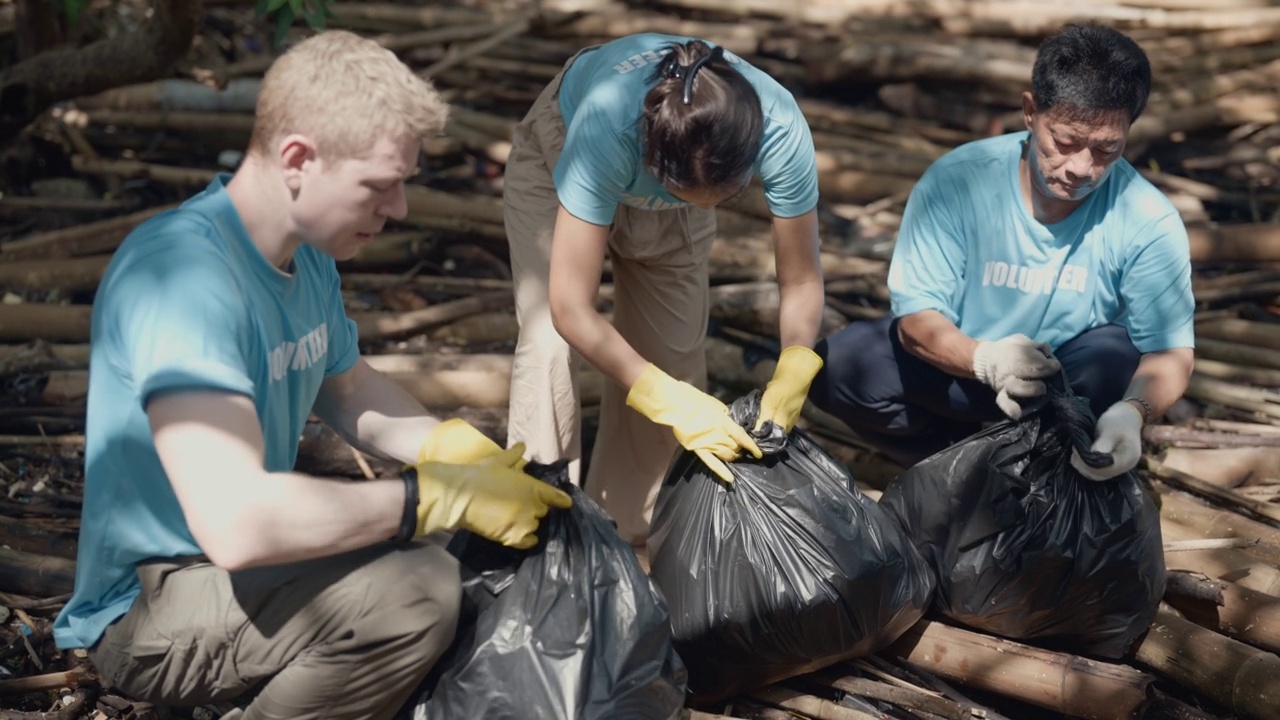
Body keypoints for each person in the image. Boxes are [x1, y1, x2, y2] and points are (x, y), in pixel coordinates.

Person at [52, 30, 571, 720]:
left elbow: (349, 388)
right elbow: (237, 524)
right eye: (379, 187)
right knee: (417, 592)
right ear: (298, 159)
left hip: (244, 576)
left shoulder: (308, 255)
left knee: (475, 556)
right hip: (154, 601)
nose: (399, 211)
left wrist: (454, 453)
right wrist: (429, 498)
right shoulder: (183, 280)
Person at [809, 22, 1194, 480]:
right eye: (1065, 142)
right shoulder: (958, 182)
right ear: (1030, 111)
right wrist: (987, 361)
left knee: (1112, 355)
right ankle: (951, 468)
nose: (1081, 168)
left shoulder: (1147, 217)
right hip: (963, 370)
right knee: (844, 362)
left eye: (1106, 149)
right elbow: (917, 320)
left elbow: (1170, 352)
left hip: (1064, 393)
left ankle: (1041, 470)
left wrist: (1132, 412)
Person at [503, 33, 826, 552]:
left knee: (672, 357)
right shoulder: (608, 126)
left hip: (669, 187)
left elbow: (803, 279)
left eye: (719, 198)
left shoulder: (781, 128)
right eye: (690, 195)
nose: (705, 209)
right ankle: (539, 537)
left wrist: (795, 360)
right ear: (656, 164)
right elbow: (568, 306)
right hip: (563, 148)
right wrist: (664, 399)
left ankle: (634, 539)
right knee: (547, 345)